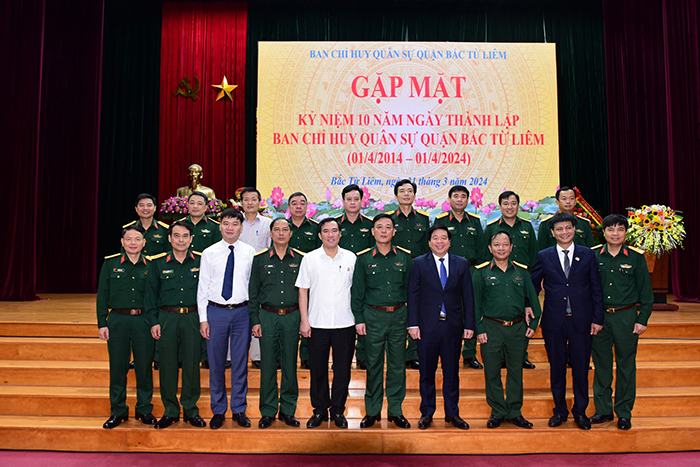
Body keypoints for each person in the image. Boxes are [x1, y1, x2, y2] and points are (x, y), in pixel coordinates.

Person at [531, 213, 604, 430]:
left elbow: (596, 288)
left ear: (574, 230)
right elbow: (533, 287)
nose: (564, 232)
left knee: (581, 368)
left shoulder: (587, 254)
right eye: (559, 229)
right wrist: (528, 307)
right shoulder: (544, 256)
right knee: (557, 368)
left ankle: (580, 412)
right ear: (552, 233)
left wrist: (597, 318)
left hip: (582, 321)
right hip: (554, 321)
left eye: (568, 228)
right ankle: (560, 411)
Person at [408, 224, 475, 430]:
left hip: (452, 327)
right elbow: (413, 295)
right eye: (435, 238)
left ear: (449, 242)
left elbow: (468, 296)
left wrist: (469, 324)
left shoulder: (461, 263)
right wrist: (413, 324)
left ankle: (452, 413)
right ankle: (427, 412)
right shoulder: (419, 263)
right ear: (429, 243)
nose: (440, 241)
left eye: (444, 238)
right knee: (427, 372)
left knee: (451, 372)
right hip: (426, 327)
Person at [590, 214, 653, 430]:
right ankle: (603, 410)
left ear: (626, 233)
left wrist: (642, 319)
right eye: (610, 229)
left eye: (620, 229)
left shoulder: (635, 257)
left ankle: (624, 412)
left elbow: (646, 292)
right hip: (599, 319)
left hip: (626, 317)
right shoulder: (593, 255)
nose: (615, 233)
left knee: (626, 366)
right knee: (602, 365)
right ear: (603, 232)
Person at [473, 231, 541, 429]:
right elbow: (474, 304)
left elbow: (534, 301)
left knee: (515, 372)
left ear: (511, 247)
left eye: (505, 244)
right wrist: (479, 329)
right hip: (491, 329)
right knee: (492, 372)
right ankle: (497, 411)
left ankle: (514, 411)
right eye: (497, 245)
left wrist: (533, 325)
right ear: (490, 248)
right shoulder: (481, 272)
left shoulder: (522, 271)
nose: (501, 248)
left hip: (517, 329)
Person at [197, 208, 256, 429]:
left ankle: (239, 409)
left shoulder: (250, 252)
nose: (230, 228)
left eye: (235, 224)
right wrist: (203, 318)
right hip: (216, 312)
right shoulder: (209, 253)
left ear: (241, 227)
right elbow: (203, 287)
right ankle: (218, 410)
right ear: (220, 226)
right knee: (216, 363)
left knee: (240, 363)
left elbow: (253, 285)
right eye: (226, 223)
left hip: (242, 312)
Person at [352, 214, 412, 429]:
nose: (384, 231)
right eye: (379, 227)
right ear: (373, 231)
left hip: (398, 317)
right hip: (372, 317)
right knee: (373, 365)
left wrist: (411, 320)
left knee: (397, 367)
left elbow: (411, 291)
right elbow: (357, 292)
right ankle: (372, 411)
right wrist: (359, 319)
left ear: (394, 232)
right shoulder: (363, 259)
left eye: (388, 227)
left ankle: (396, 411)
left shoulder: (405, 257)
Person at [296, 217, 357, 429]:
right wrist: (304, 320)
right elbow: (302, 291)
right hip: (317, 323)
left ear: (340, 234)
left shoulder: (351, 258)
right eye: (326, 231)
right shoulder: (310, 258)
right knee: (318, 370)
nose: (330, 234)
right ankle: (320, 410)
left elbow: (357, 290)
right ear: (319, 235)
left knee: (343, 371)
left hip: (345, 323)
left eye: (334, 230)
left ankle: (338, 410)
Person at [145, 221, 206, 429]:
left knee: (192, 365)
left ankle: (190, 410)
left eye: (185, 236)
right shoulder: (158, 263)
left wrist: (204, 320)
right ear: (169, 238)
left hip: (192, 318)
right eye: (177, 236)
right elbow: (150, 296)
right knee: (167, 366)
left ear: (191, 239)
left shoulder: (201, 261)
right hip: (167, 318)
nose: (181, 240)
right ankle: (170, 411)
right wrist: (154, 321)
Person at [96, 224, 156, 429]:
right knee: (118, 367)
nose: (133, 243)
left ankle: (144, 409)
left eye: (137, 239)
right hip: (117, 321)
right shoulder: (110, 264)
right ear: (122, 242)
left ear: (144, 243)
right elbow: (102, 295)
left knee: (144, 367)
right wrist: (102, 323)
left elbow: (156, 297)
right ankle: (118, 410)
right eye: (129, 239)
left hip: (143, 320)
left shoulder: (151, 265)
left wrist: (154, 322)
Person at [249, 218, 303, 429]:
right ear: (270, 233)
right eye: (277, 230)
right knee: (268, 366)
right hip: (267, 316)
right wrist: (255, 320)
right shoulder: (260, 260)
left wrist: (304, 319)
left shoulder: (300, 259)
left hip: (292, 316)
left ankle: (288, 410)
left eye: (285, 229)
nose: (281, 233)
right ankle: (268, 411)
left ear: (291, 233)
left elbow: (305, 293)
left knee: (290, 365)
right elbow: (253, 292)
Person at [434, 185, 487, 370]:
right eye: (455, 196)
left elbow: (482, 249)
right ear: (449, 200)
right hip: (447, 272)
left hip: (471, 271)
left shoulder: (475, 222)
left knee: (470, 309)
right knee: (449, 309)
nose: (459, 199)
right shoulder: (440, 220)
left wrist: (480, 272)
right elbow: (435, 245)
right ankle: (446, 349)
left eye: (463, 196)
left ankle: (469, 353)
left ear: (467, 200)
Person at [484, 190, 539, 369]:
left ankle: (521, 355)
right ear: (500, 206)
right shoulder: (491, 228)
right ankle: (501, 357)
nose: (510, 207)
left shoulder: (527, 227)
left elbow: (533, 256)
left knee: (523, 318)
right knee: (500, 316)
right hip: (497, 280)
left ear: (518, 205)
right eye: (505, 203)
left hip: (521, 281)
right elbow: (485, 256)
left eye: (513, 203)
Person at [388, 178, 429, 370]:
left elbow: (428, 246)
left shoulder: (424, 219)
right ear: (396, 195)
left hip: (418, 269)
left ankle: (413, 353)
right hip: (395, 270)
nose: (406, 194)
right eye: (402, 191)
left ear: (414, 195)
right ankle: (395, 352)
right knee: (396, 307)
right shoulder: (389, 220)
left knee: (417, 308)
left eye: (410, 191)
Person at [336, 184, 373, 370]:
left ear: (362, 201)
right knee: (340, 315)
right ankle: (339, 359)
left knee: (362, 315)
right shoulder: (334, 225)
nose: (352, 202)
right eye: (349, 199)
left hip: (364, 278)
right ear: (343, 201)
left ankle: (362, 355)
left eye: (356, 199)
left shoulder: (370, 225)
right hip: (338, 277)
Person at [238, 187, 272, 369]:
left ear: (260, 202)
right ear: (241, 203)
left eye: (253, 199)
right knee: (237, 310)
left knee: (258, 312)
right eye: (246, 199)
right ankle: (233, 355)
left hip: (260, 274)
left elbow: (271, 249)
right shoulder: (236, 222)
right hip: (238, 274)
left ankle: (257, 355)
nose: (250, 203)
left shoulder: (267, 223)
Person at [287, 191, 320, 369]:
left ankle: (307, 355)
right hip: (287, 279)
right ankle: (287, 355)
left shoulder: (315, 228)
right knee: (290, 317)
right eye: (294, 203)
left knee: (309, 315)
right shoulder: (283, 228)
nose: (298, 206)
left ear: (307, 206)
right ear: (289, 207)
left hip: (311, 281)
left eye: (302, 203)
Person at [123, 193, 170, 257]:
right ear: (136, 209)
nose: (145, 208)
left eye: (149, 205)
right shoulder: (128, 229)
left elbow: (169, 254)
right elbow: (123, 255)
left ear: (155, 208)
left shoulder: (164, 230)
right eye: (141, 205)